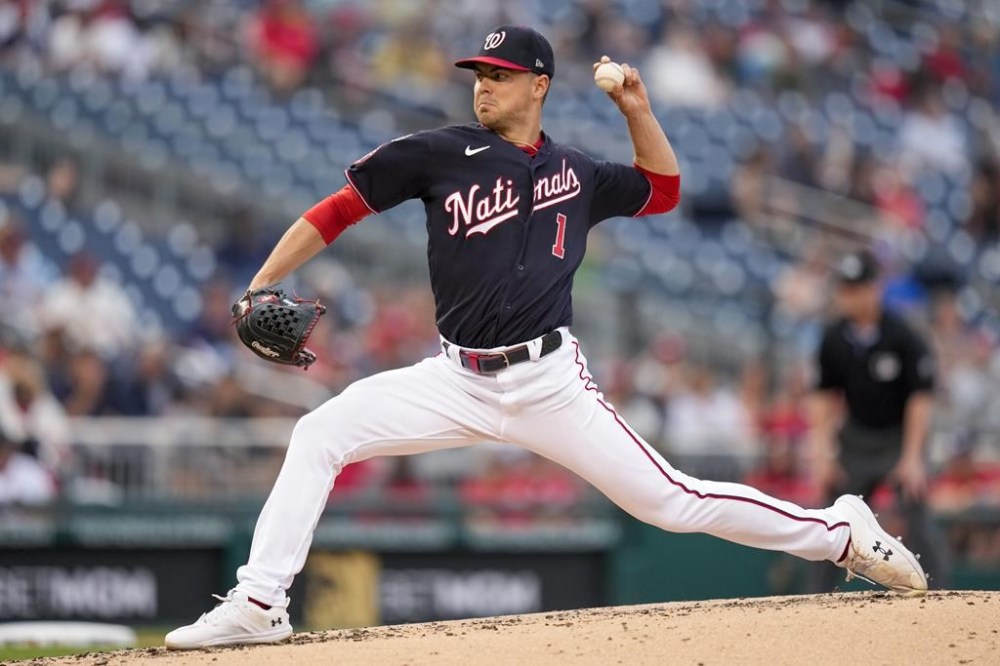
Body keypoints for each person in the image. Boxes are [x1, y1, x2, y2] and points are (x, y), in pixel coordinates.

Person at [165, 26, 928, 650]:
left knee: (672, 503)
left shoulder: (578, 172)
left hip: (549, 383)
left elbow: (663, 191)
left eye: (499, 73)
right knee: (319, 432)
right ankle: (261, 602)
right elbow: (334, 211)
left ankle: (840, 532)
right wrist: (260, 283)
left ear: (539, 85)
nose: (483, 84)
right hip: (453, 379)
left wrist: (636, 107)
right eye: (478, 73)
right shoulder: (437, 153)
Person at [808, 249, 949, 592]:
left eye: (857, 288)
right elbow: (824, 397)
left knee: (916, 516)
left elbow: (920, 397)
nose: (850, 297)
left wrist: (913, 457)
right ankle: (814, 599)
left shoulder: (902, 335)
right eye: (845, 289)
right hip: (855, 439)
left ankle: (941, 595)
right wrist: (823, 453)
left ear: (875, 288)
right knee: (833, 519)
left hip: (898, 439)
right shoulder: (834, 337)